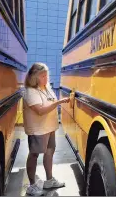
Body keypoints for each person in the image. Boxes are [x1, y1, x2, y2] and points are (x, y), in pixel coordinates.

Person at [23, 62, 70, 196]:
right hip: (38, 130)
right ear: (34, 77)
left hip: (49, 128)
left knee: (50, 152)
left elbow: (49, 101)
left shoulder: (46, 87)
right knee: (34, 154)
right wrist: (59, 102)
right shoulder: (30, 92)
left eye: (46, 75)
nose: (46, 78)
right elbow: (40, 111)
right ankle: (32, 186)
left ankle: (49, 180)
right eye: (42, 76)